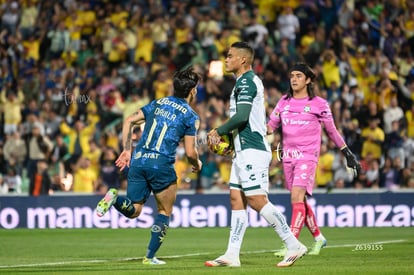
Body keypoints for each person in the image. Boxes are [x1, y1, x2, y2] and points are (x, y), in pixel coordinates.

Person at [205, 42, 307, 268]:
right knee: (236, 199)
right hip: (242, 150)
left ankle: (293, 244)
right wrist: (231, 142)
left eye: (230, 56)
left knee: (256, 200)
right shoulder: (241, 83)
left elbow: (241, 117)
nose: (226, 60)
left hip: (253, 149)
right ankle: (232, 254)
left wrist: (218, 131)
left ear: (243, 60)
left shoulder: (247, 81)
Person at [95, 67, 203, 265]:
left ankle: (115, 199)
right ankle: (150, 257)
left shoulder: (157, 103)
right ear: (193, 90)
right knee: (163, 211)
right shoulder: (190, 116)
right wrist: (197, 162)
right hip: (161, 164)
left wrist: (127, 150)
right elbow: (189, 152)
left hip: (139, 159)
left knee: (134, 210)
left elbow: (129, 120)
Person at [267, 62, 361, 257]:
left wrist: (347, 153)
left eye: (299, 76)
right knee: (299, 200)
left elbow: (332, 131)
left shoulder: (320, 104)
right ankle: (318, 238)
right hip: (288, 157)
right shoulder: (283, 102)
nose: (294, 79)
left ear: (308, 80)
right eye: (292, 75)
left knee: (296, 197)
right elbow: (270, 126)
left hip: (307, 157)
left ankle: (291, 243)